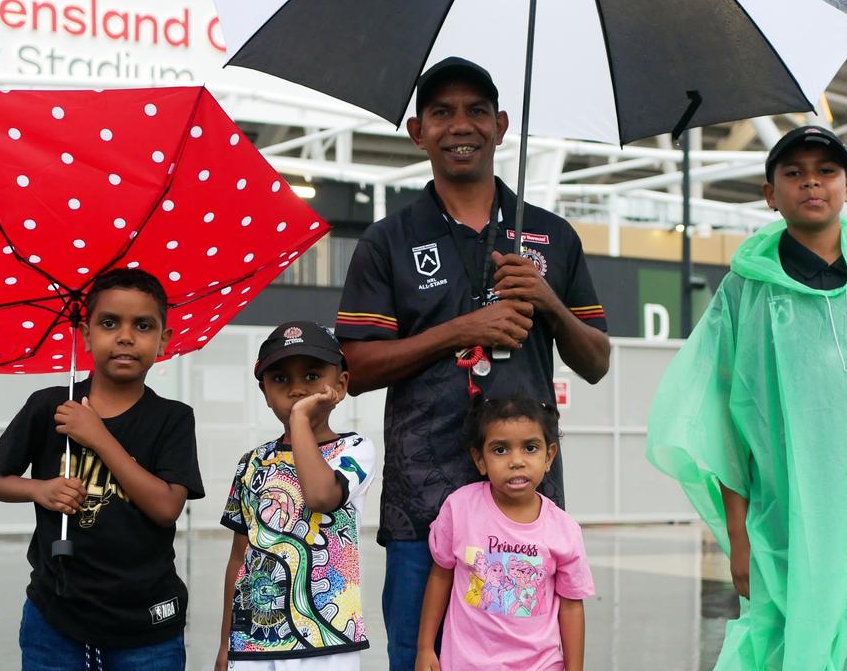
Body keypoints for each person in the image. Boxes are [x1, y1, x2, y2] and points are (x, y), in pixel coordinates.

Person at [647, 126, 847, 669]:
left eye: (826, 172)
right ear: (770, 193)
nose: (811, 184)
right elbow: (722, 421)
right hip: (780, 521)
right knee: (779, 644)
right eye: (793, 173)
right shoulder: (747, 291)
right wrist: (739, 533)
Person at [334, 57, 609, 670]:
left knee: (527, 659)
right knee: (418, 657)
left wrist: (548, 302)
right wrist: (461, 330)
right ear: (417, 130)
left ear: (502, 125)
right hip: (423, 500)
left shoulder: (550, 236)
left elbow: (596, 361)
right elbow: (355, 365)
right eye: (443, 112)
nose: (462, 125)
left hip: (524, 505)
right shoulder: (388, 241)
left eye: (477, 111)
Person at [0, 268, 203, 671]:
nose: (126, 336)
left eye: (143, 325)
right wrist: (38, 490)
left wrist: (98, 436)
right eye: (110, 323)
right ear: (85, 334)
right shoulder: (50, 406)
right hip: (54, 620)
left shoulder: (173, 419)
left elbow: (167, 507)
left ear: (164, 340)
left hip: (148, 624)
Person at [217, 321, 375, 671]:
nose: (297, 390)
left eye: (312, 376)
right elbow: (238, 557)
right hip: (254, 641)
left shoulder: (354, 450)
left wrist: (300, 420)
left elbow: (321, 495)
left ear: (341, 384)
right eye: (281, 379)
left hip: (327, 640)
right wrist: (226, 642)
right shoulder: (252, 463)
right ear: (264, 391)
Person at [414, 396, 592, 671]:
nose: (516, 461)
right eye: (500, 450)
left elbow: (571, 606)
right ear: (480, 460)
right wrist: (425, 648)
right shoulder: (460, 508)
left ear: (549, 457)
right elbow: (440, 575)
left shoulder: (564, 529)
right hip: (466, 664)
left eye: (530, 448)